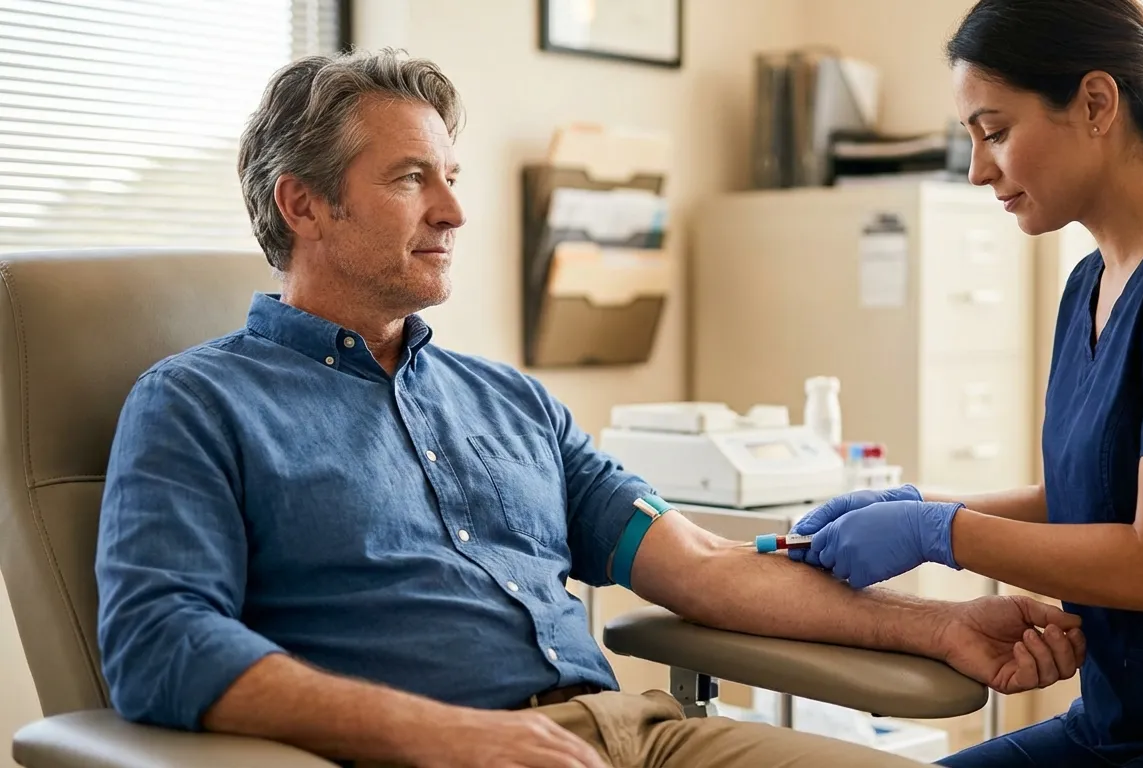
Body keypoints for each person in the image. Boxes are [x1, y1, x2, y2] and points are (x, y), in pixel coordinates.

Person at [93, 49, 1086, 768]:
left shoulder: (510, 402)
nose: (454, 210)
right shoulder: (196, 406)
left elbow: (697, 569)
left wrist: (936, 624)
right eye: (408, 178)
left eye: (450, 175)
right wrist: (445, 735)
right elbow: (159, 644)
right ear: (301, 203)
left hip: (637, 736)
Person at [788, 1, 1143, 766]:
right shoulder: (1091, 284)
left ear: (1096, 103)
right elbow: (1092, 500)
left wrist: (940, 535)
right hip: (1120, 723)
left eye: (995, 132)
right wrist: (917, 503)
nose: (977, 170)